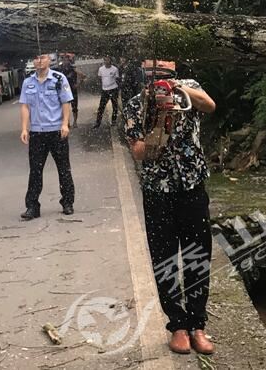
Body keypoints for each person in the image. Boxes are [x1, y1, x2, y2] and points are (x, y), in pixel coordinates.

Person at [122, 74, 217, 356]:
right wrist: (160, 127)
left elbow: (209, 105)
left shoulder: (191, 88)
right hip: (157, 191)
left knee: (197, 254)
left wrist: (178, 89)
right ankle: (177, 325)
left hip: (192, 186)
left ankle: (197, 324)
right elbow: (138, 152)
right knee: (164, 257)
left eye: (166, 61)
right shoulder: (136, 104)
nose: (161, 67)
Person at [19, 52, 74, 219]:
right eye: (36, 58)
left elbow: (66, 102)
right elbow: (25, 106)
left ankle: (67, 202)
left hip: (56, 131)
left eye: (42, 57)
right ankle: (32, 206)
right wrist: (24, 128)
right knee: (35, 171)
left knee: (63, 169)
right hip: (37, 132)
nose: (39, 61)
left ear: (49, 59)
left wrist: (65, 124)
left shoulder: (58, 79)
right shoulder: (28, 82)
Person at [93, 57, 120, 128]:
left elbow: (117, 79)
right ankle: (98, 123)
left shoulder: (115, 69)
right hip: (104, 90)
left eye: (108, 60)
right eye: (105, 60)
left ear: (110, 61)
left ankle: (113, 121)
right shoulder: (101, 69)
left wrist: (117, 89)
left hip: (113, 89)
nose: (106, 61)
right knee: (101, 107)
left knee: (115, 106)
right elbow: (99, 78)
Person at [56, 53, 80, 128]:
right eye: (64, 60)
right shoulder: (60, 69)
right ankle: (67, 122)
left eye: (67, 60)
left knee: (74, 107)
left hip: (72, 89)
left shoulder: (73, 69)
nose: (66, 62)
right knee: (64, 107)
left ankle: (75, 122)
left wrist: (78, 84)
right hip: (64, 90)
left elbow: (83, 76)